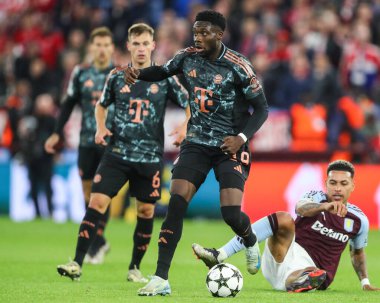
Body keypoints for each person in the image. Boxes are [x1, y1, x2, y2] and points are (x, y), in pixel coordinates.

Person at [123, 10, 269, 296]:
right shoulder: (186, 56)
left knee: (230, 214)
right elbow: (162, 72)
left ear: (219, 34)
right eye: (196, 32)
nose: (198, 38)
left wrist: (240, 138)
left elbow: (261, 108)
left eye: (205, 33)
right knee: (176, 202)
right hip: (196, 142)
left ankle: (250, 239)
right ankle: (161, 277)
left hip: (229, 146)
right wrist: (138, 73)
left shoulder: (238, 65)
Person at [56, 23, 189, 283]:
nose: (140, 49)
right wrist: (101, 126)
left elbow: (189, 104)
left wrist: (185, 126)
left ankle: (134, 268)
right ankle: (76, 262)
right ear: (128, 46)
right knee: (96, 203)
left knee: (146, 213)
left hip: (149, 159)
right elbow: (101, 105)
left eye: (145, 43)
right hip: (116, 154)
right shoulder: (117, 76)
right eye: (135, 44)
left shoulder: (165, 77)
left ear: (153, 46)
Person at [193, 160, 380, 292]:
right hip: (283, 254)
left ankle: (297, 283)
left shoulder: (358, 220)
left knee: (313, 275)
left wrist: (365, 282)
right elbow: (300, 208)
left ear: (352, 186)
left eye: (343, 184)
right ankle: (220, 254)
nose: (338, 188)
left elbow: (357, 253)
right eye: (333, 183)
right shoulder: (315, 197)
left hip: (314, 272)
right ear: (326, 184)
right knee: (283, 217)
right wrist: (325, 206)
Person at [45, 27, 115, 263]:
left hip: (110, 142)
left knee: (101, 193)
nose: (102, 49)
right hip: (86, 140)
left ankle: (95, 244)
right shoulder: (81, 72)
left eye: (106, 45)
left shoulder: (119, 73)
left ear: (112, 48)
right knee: (88, 192)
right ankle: (99, 241)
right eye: (98, 45)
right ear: (91, 48)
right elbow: (68, 104)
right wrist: (57, 134)